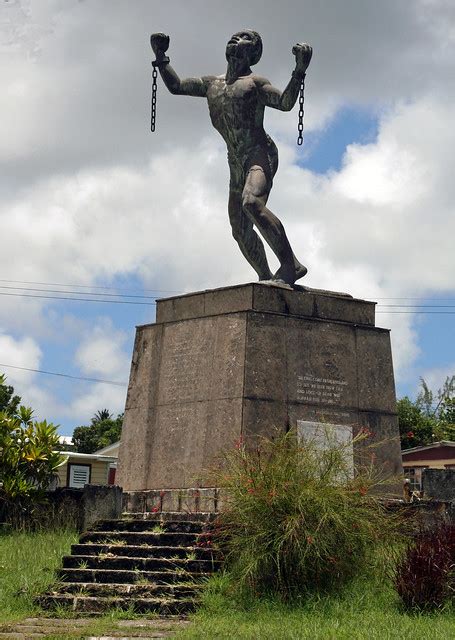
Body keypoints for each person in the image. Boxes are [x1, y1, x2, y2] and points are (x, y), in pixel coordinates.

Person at [151, 30, 313, 286]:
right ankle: (265, 277)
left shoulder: (254, 84)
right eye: (233, 37)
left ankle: (290, 264)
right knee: (239, 228)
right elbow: (177, 86)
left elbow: (285, 103)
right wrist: (161, 56)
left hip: (259, 154)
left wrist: (299, 70)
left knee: (251, 203)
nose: (236, 39)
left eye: (245, 38)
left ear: (254, 53)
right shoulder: (211, 85)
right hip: (235, 160)